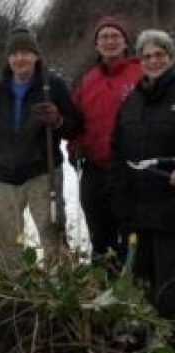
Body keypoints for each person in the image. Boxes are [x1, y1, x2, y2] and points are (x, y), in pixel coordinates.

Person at [0, 27, 80, 270]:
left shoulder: (53, 87)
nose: (20, 58)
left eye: (26, 53)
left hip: (43, 174)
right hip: (5, 177)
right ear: (8, 58)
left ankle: (60, 290)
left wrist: (58, 120)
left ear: (36, 56)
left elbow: (75, 127)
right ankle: (11, 292)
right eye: (15, 53)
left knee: (53, 236)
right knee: (5, 240)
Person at [111, 29, 175, 321]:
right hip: (138, 206)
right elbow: (118, 151)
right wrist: (121, 203)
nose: (153, 60)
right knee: (142, 278)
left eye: (159, 54)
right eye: (147, 56)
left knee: (170, 283)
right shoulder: (131, 102)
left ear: (170, 57)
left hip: (170, 207)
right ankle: (150, 343)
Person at [67, 16, 142, 263]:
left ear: (125, 43)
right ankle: (105, 286)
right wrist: (74, 147)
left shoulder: (141, 74)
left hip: (133, 171)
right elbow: (76, 122)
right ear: (96, 45)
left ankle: (136, 286)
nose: (110, 41)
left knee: (132, 233)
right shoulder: (88, 81)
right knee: (100, 234)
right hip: (95, 170)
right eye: (104, 37)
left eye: (115, 36)